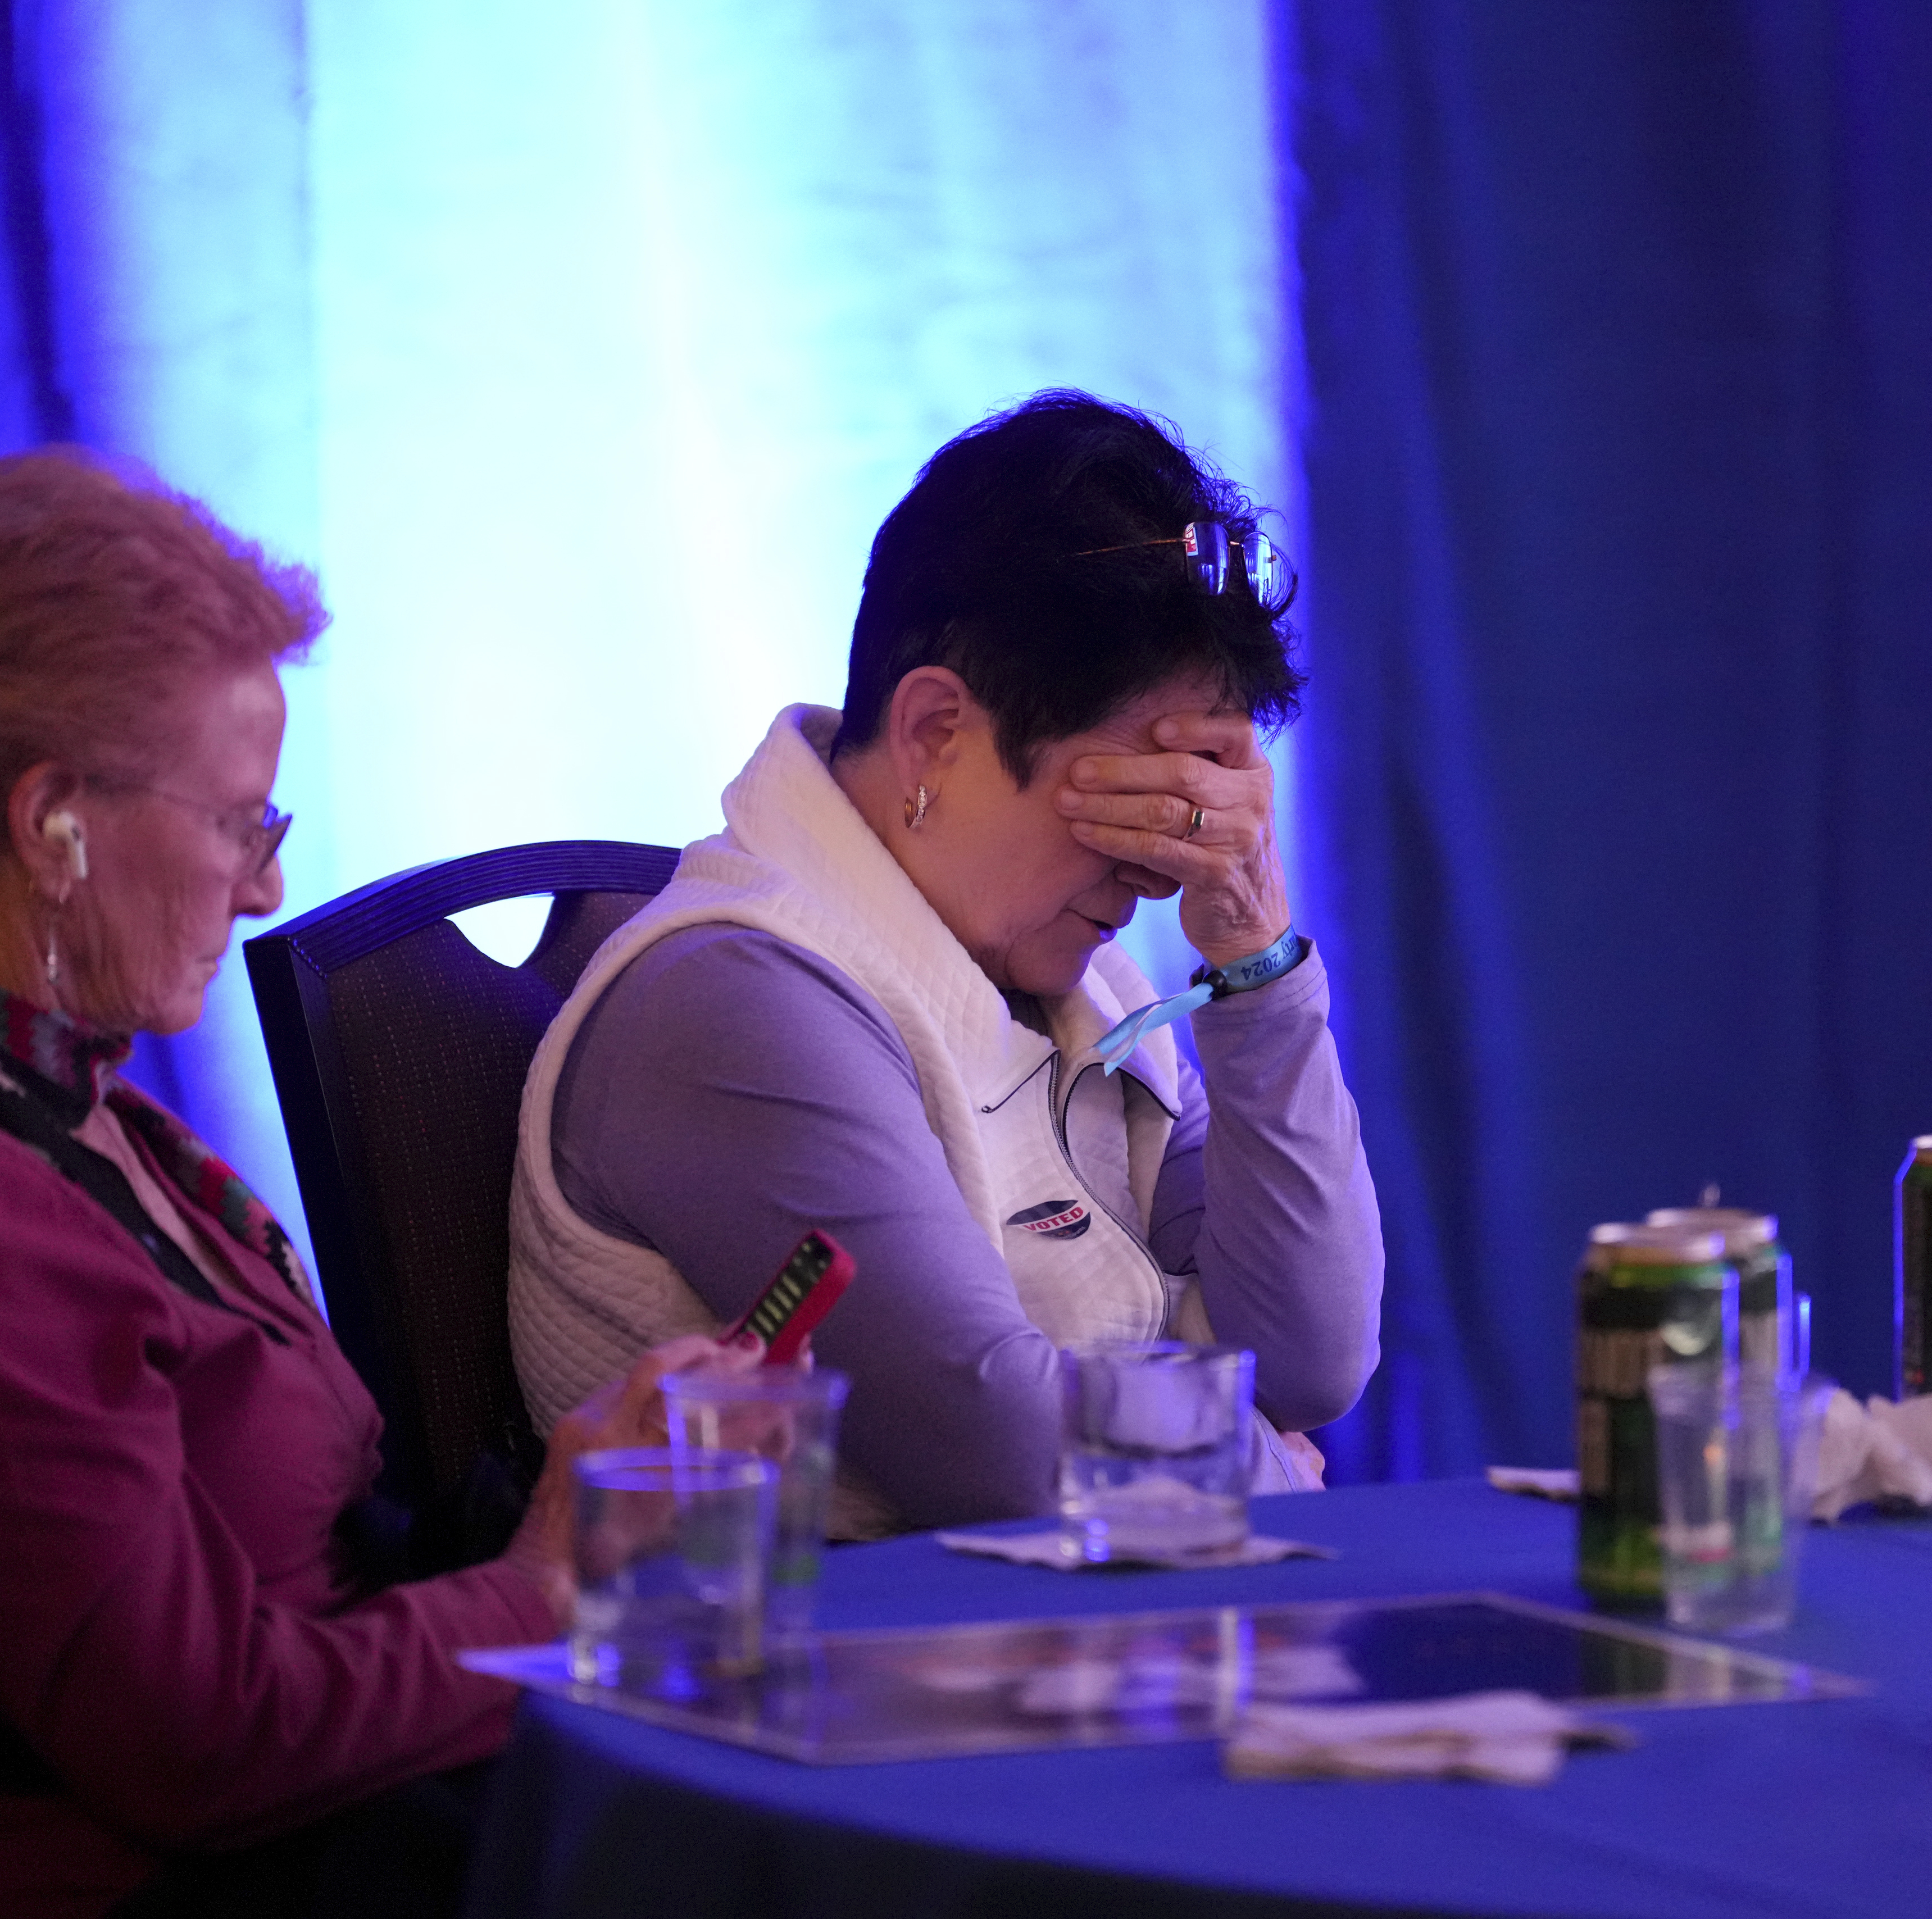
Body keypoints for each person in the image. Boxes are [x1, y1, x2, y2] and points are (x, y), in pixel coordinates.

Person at [0, 449, 742, 1919]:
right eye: (235, 821)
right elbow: (203, 1748)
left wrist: (572, 1505)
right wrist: (545, 1593)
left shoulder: (55, 1109)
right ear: (51, 822)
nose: (262, 888)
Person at [510, 392, 1384, 1533]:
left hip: (1065, 1659)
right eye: (1131, 803)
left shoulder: (1072, 981)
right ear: (935, 733)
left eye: (1197, 807)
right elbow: (1006, 1457)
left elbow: (1309, 1360)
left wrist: (1257, 960)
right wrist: (1262, 1466)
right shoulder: (733, 1001)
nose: (1165, 872)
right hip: (793, 1683)